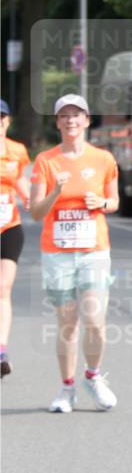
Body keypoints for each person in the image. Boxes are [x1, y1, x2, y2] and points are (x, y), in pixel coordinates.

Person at [30, 94, 120, 412]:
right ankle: (66, 388)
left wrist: (102, 204)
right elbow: (36, 212)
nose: (70, 120)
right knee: (68, 323)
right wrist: (56, 190)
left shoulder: (103, 159)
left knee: (95, 320)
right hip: (58, 252)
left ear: (86, 120)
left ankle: (93, 376)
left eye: (76, 114)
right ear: (57, 122)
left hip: (94, 250)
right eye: (64, 115)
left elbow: (115, 201)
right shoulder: (46, 161)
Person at [0, 100, 31, 377]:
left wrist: (32, 199)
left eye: (1, 117)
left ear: (8, 121)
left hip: (9, 226)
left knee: (3, 287)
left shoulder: (17, 151)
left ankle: (1, 351)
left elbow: (21, 181)